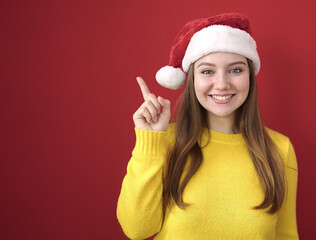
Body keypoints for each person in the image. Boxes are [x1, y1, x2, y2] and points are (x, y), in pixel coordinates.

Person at [117, 13, 299, 240]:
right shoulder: (163, 141)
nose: (222, 84)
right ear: (192, 79)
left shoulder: (280, 150)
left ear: (250, 76)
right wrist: (149, 141)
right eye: (207, 71)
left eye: (235, 70)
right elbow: (137, 230)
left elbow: (286, 235)